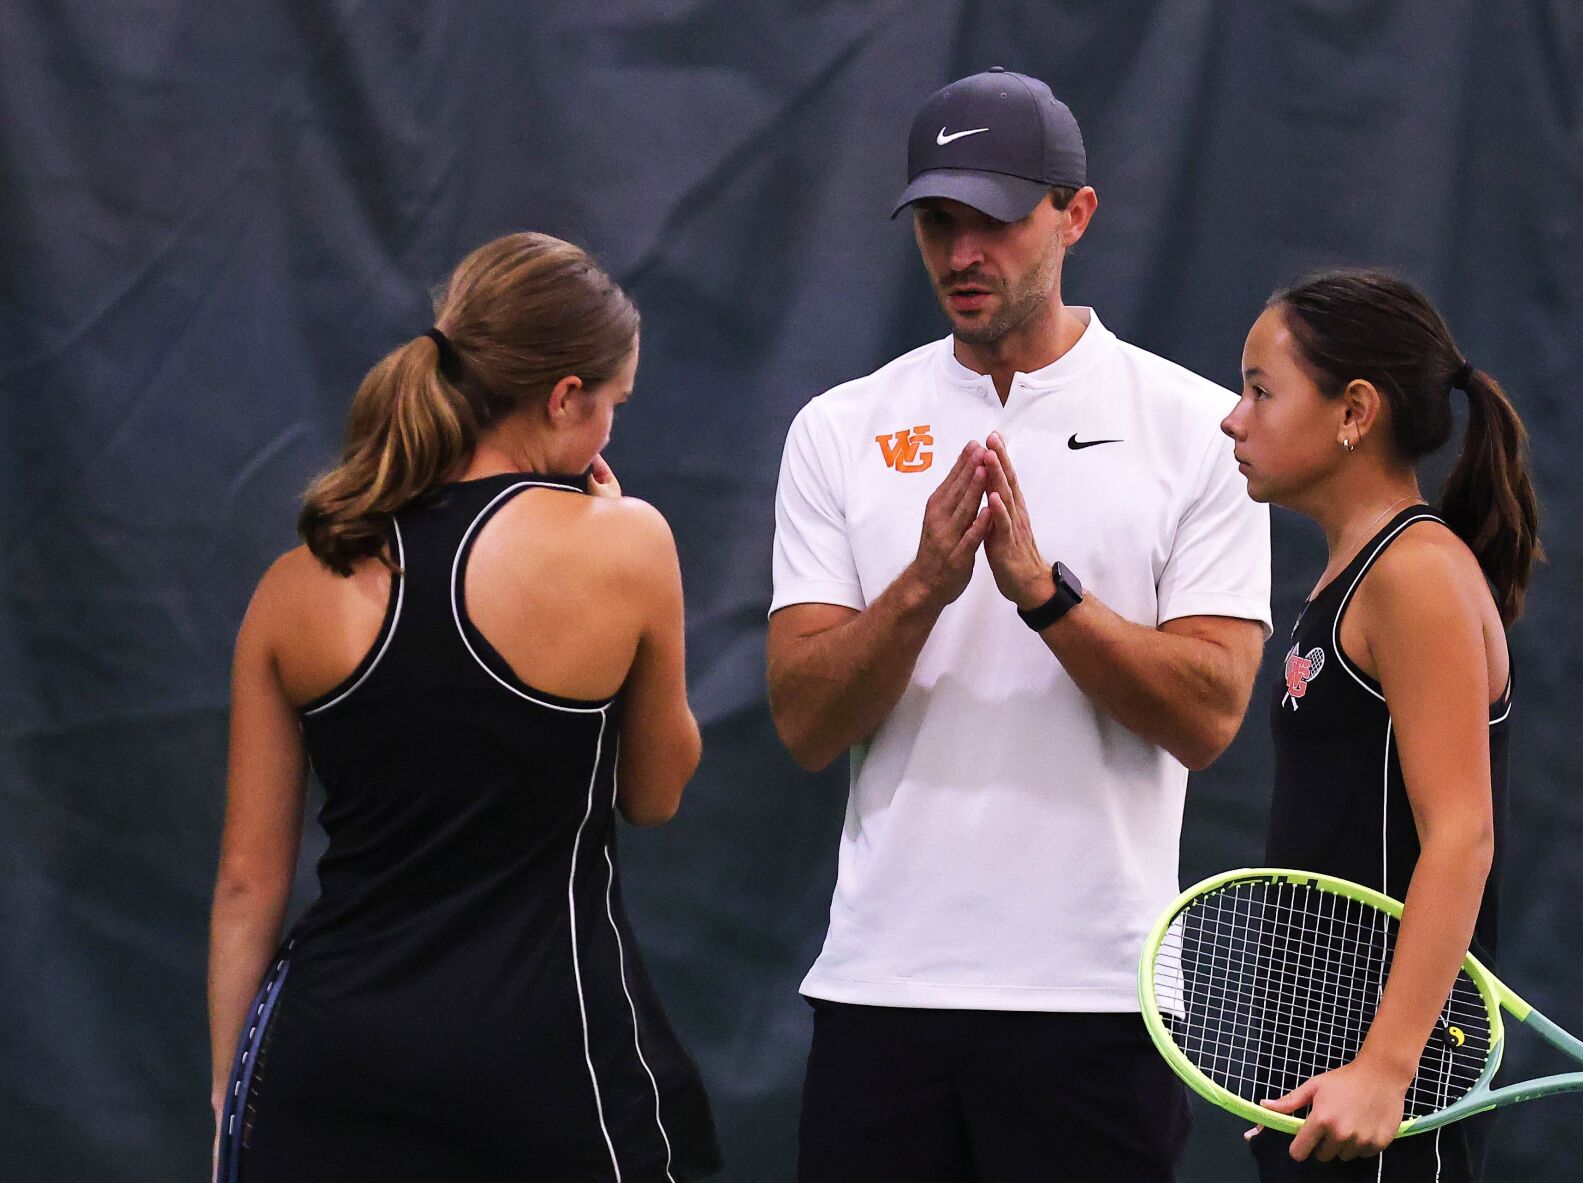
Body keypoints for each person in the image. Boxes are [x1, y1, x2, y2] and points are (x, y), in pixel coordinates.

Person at [767, 68, 1273, 1181]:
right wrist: (920, 590)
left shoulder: (1196, 429)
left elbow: (1207, 715)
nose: (960, 254)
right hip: (879, 996)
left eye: (992, 220)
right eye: (937, 222)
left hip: (1097, 1002)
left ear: (1073, 215)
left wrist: (1043, 594)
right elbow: (804, 722)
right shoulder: (838, 429)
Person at [208, 232, 720, 1182]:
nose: (609, 429)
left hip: (324, 1069)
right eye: (610, 405)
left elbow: (247, 880)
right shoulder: (627, 543)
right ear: (565, 396)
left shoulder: (292, 586)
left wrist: (229, 1090)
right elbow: (655, 791)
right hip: (546, 1067)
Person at [1222, 269, 1539, 1181]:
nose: (1232, 418)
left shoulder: (1416, 576)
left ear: (1352, 410)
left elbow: (1460, 836)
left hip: (1389, 1087)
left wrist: (1386, 1068)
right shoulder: (1351, 575)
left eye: (1260, 389)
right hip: (1317, 1068)